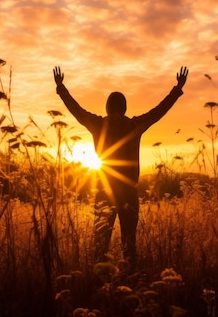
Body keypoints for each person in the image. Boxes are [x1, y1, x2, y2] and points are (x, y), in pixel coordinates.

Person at [53, 66, 188, 268]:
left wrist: (61, 88)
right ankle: (130, 281)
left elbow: (76, 110)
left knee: (100, 246)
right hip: (128, 193)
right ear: (124, 108)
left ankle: (100, 286)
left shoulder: (97, 124)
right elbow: (159, 111)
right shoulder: (134, 125)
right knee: (129, 245)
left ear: (107, 108)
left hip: (104, 191)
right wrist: (177, 89)